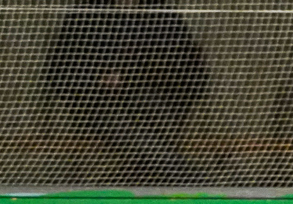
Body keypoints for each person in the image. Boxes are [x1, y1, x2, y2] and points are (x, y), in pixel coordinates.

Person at [43, 0, 208, 186]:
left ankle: (127, 180)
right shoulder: (86, 14)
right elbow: (59, 72)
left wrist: (139, 74)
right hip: (99, 105)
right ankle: (185, 177)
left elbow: (191, 72)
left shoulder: (162, 13)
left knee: (152, 111)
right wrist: (98, 79)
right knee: (121, 123)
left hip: (157, 101)